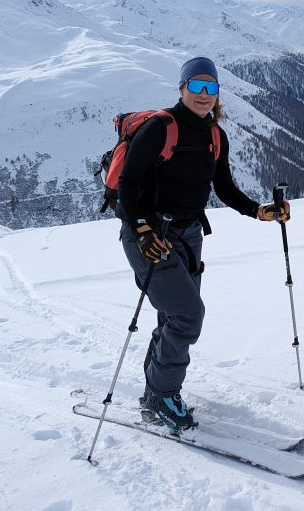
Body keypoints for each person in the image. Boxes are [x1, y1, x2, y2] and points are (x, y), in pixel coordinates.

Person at [116, 56, 289, 430]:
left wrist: (259, 211)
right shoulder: (161, 128)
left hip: (188, 234)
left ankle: (155, 389)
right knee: (187, 315)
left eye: (211, 87)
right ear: (181, 89)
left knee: (174, 314)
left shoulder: (214, 135)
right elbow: (129, 184)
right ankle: (162, 397)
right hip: (150, 236)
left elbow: (223, 187)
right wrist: (143, 229)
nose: (204, 94)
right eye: (196, 86)